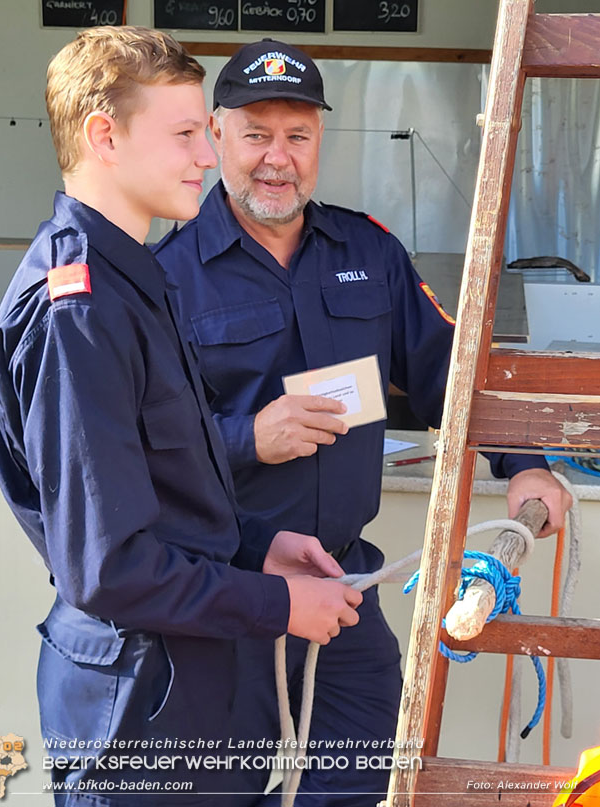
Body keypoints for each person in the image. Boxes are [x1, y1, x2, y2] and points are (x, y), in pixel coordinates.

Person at [153, 39, 573, 805]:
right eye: (256, 134)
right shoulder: (164, 277)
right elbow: (141, 452)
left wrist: (526, 463)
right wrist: (251, 437)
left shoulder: (369, 251)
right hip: (221, 597)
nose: (277, 158)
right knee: (215, 792)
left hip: (345, 587)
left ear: (319, 141)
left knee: (361, 784)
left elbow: (450, 370)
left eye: (298, 135)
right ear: (216, 136)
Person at [0, 28, 363, 806]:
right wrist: (281, 604)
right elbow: (108, 564)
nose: (208, 156)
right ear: (104, 136)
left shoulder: (132, 281)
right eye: (186, 133)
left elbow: (162, 497)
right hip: (140, 714)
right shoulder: (77, 311)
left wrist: (260, 546)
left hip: (195, 687)